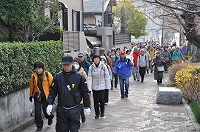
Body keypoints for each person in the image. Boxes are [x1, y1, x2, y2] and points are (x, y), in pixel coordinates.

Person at [46, 55, 91, 132]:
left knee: (74, 129)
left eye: (68, 65)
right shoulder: (58, 77)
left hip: (75, 108)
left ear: (72, 64)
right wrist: (50, 103)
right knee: (61, 129)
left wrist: (87, 106)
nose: (66, 67)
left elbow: (85, 93)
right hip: (62, 109)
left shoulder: (79, 77)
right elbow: (53, 91)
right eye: (64, 65)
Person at [29, 61, 54, 131]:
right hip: (37, 96)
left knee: (46, 112)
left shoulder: (47, 75)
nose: (38, 70)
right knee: (37, 112)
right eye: (36, 69)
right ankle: (39, 125)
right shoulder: (33, 76)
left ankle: (50, 117)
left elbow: (52, 86)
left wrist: (52, 96)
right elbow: (31, 86)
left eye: (39, 68)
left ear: (42, 68)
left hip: (46, 97)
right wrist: (31, 95)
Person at [88, 54, 111, 119]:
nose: (96, 60)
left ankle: (102, 112)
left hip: (102, 86)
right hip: (94, 86)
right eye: (95, 59)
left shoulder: (103, 67)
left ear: (99, 59)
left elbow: (107, 77)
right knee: (95, 101)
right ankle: (97, 113)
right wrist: (89, 88)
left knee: (101, 99)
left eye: (97, 58)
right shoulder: (91, 67)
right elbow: (90, 78)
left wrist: (107, 86)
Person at [72, 57, 88, 124]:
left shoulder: (82, 72)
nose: (75, 65)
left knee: (80, 107)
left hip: (80, 92)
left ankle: (82, 116)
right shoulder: (71, 73)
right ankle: (77, 119)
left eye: (76, 63)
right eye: (74, 63)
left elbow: (86, 81)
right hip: (73, 92)